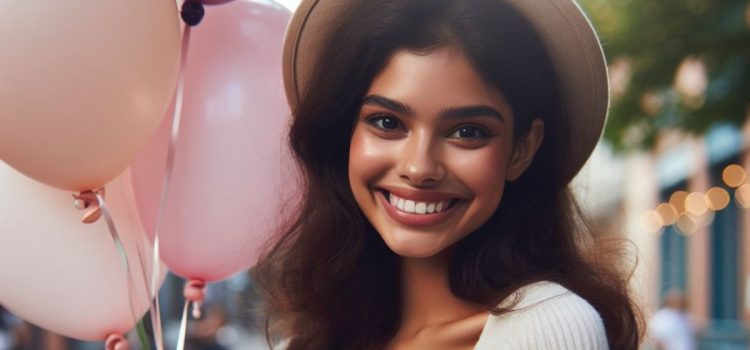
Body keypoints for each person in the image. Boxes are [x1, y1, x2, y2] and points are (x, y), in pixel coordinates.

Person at [254, 0, 642, 349]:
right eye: (387, 122)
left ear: (522, 149)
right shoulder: (311, 339)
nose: (419, 168)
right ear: (345, 134)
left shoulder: (547, 326)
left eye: (467, 132)